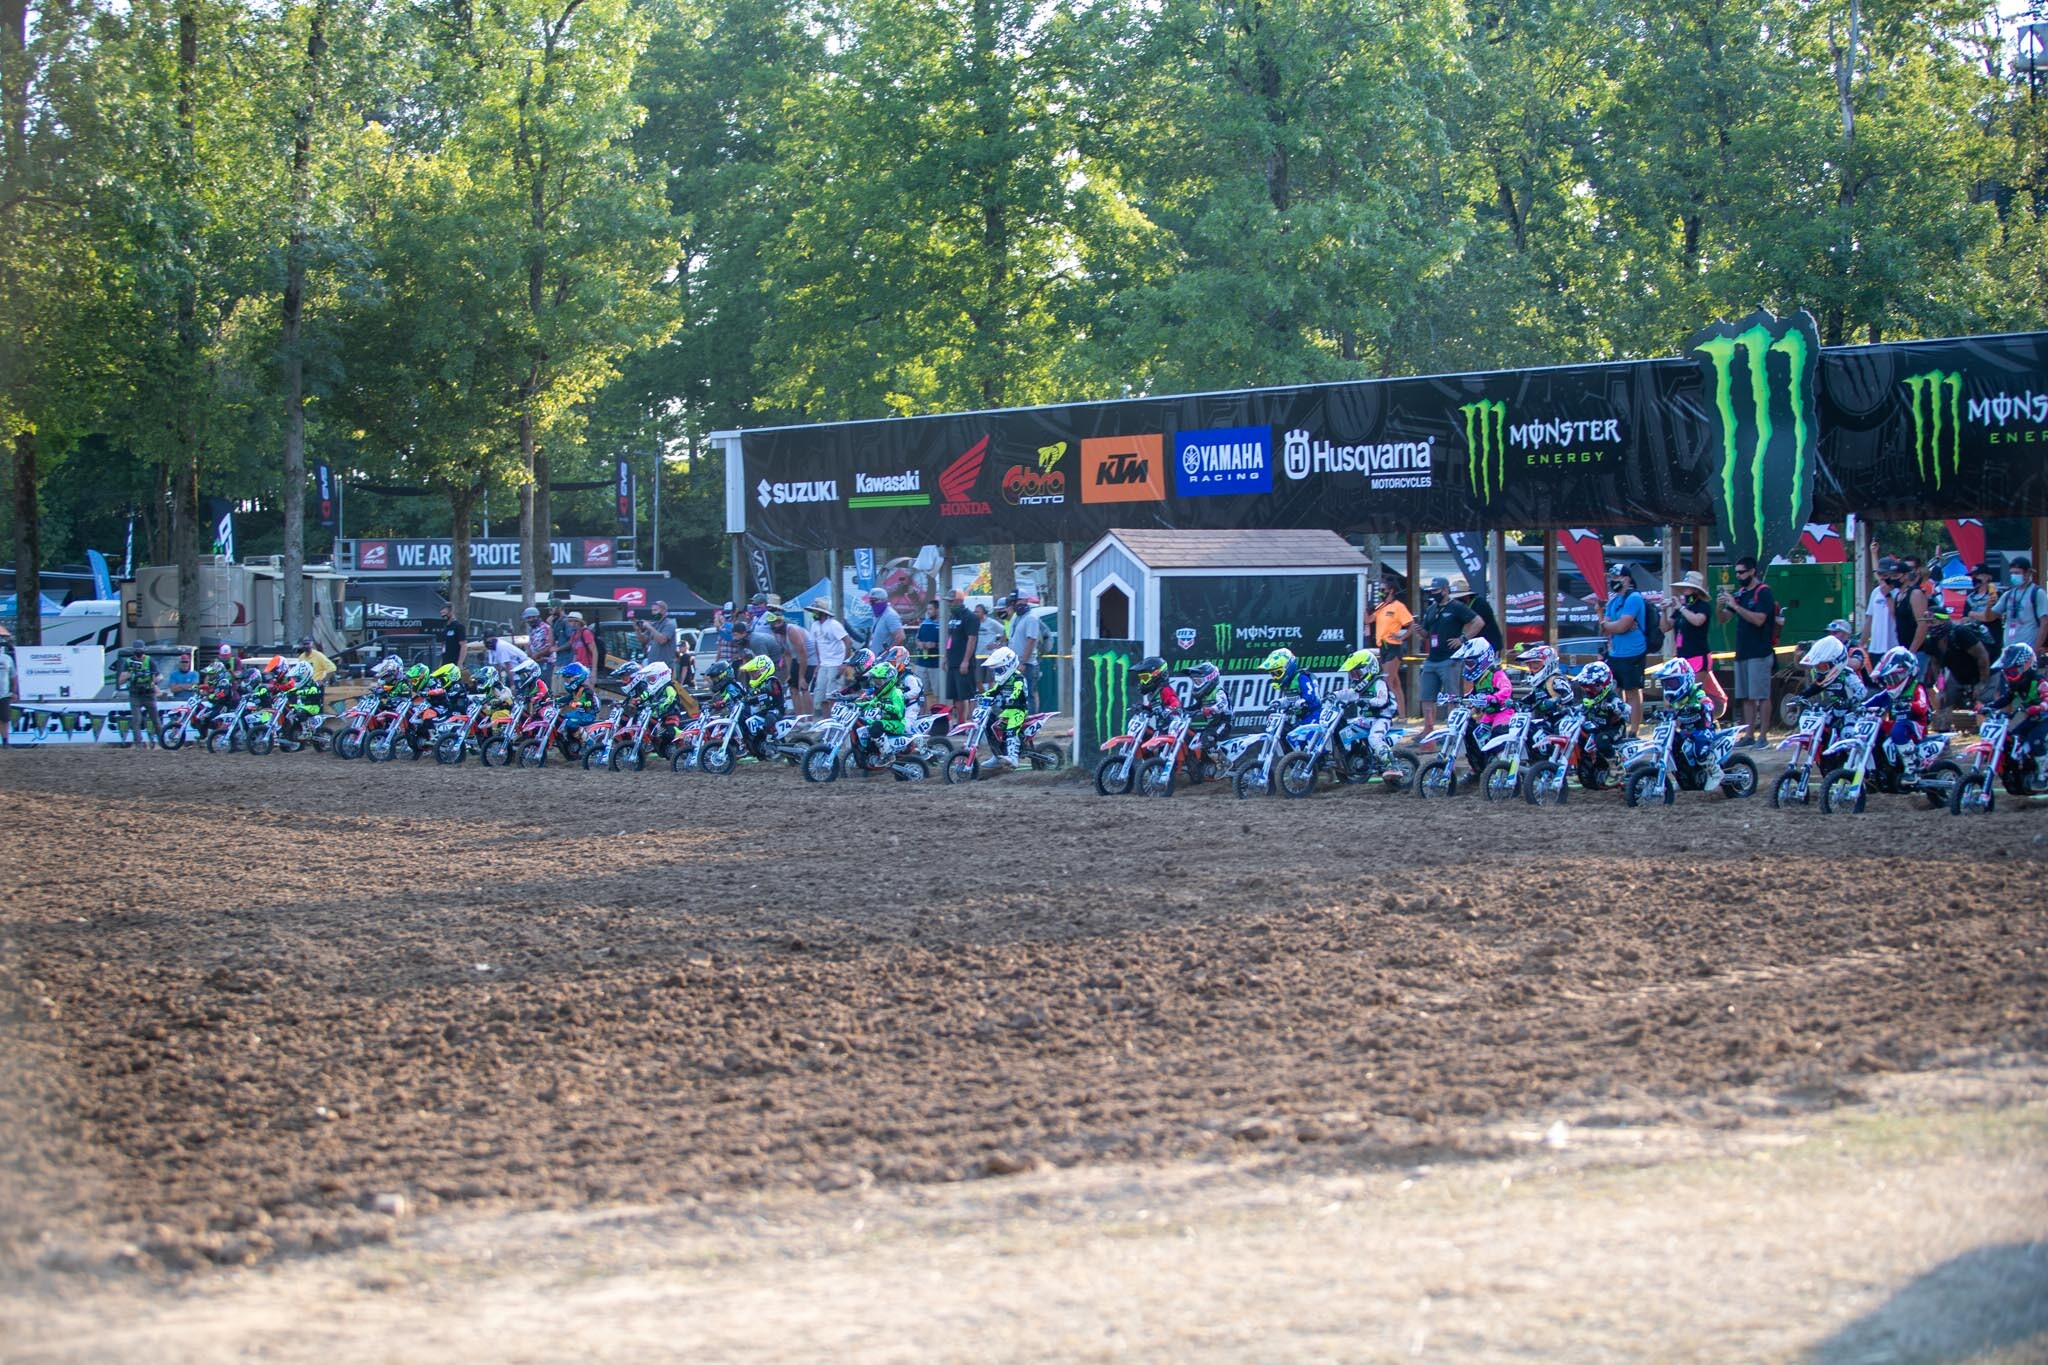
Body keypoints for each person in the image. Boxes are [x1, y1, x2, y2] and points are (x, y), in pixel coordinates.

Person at [1716, 555, 1777, 745]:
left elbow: (1759, 619)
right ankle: (1749, 734)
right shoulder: (1741, 593)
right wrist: (1720, 607)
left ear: (1752, 571)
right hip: (1742, 651)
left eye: (1742, 572)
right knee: (1746, 697)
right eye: (1737, 572)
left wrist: (1735, 606)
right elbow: (1724, 618)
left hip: (1760, 651)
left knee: (1761, 695)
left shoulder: (1763, 592)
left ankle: (1763, 736)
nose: (1739, 576)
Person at [1647, 656, 1724, 790]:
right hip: (1686, 732)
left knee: (1699, 749)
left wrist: (1700, 705)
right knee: (1674, 747)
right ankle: (1683, 778)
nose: (1670, 687)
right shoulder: (1676, 700)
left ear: (1686, 679)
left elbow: (1707, 702)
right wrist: (1664, 714)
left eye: (1673, 683)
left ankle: (1715, 772)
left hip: (1702, 730)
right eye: (1667, 684)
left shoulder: (1696, 692)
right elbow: (1673, 713)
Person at [1417, 577, 1477, 730]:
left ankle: (1453, 730)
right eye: (1431, 591)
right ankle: (1428, 731)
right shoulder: (1431, 609)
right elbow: (1426, 633)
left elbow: (1478, 622)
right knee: (1426, 697)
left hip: (1450, 659)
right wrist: (1417, 629)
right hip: (1432, 659)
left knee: (1452, 697)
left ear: (1445, 590)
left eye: (1436, 591)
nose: (1433, 594)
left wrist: (1463, 639)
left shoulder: (1456, 607)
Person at [1664, 571, 1726, 720]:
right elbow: (1665, 627)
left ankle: (1704, 719)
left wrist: (1681, 608)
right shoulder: (1682, 609)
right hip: (1683, 658)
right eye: (1683, 588)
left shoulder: (1702, 606)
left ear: (1696, 590)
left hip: (1698, 656)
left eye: (1687, 588)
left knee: (1691, 693)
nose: (1684, 592)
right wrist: (1663, 610)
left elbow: (1698, 621)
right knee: (1677, 694)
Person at [1867, 644, 1931, 783]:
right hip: (1897, 723)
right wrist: (1860, 707)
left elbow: (1923, 706)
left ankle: (1911, 768)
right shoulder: (1891, 691)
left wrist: (1908, 704)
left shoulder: (1916, 687)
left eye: (1894, 678)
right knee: (1874, 727)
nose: (1891, 682)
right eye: (1889, 679)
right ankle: (1879, 767)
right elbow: (1877, 700)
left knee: (1898, 730)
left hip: (1915, 725)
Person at [1601, 564, 1650, 736]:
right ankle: (1618, 727)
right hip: (1615, 652)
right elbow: (1605, 626)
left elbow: (1622, 625)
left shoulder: (1634, 597)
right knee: (1615, 691)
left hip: (1633, 652)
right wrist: (1612, 625)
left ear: (1627, 579)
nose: (1614, 581)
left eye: (1617, 577)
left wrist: (1613, 625)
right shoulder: (1613, 600)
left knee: (1632, 692)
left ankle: (1634, 731)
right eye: (1612, 578)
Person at [1333, 648, 1398, 773]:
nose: (1354, 677)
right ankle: (1357, 755)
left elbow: (1382, 699)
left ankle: (1393, 765)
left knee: (1374, 738)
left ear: (1368, 669)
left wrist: (1368, 702)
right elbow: (1348, 693)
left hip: (1381, 718)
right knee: (1346, 729)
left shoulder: (1378, 682)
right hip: (1366, 719)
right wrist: (1334, 695)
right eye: (1352, 674)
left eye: (1356, 673)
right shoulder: (1360, 688)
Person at [1452, 637, 1511, 773]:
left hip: (1503, 712)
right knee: (1475, 735)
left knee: (1497, 735)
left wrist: (1493, 697)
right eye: (1466, 663)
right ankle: (1478, 770)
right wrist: (1458, 699)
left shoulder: (1496, 674)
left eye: (1470, 663)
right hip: (1489, 715)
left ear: (1483, 659)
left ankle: (1503, 770)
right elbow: (1474, 694)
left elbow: (1507, 689)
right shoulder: (1479, 679)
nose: (1467, 666)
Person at [1989, 643, 2046, 778]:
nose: (2009, 677)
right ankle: (2023, 767)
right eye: (2007, 673)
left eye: (2013, 672)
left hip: (2045, 717)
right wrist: (1989, 706)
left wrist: (2040, 707)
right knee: (2014, 737)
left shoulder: (2039, 682)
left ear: (2026, 666)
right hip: (2033, 719)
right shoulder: (2018, 686)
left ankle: (2044, 774)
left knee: (2035, 739)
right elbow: (2005, 699)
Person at [980, 645, 1030, 769]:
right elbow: (994, 690)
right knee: (993, 729)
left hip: (1018, 711)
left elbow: (1018, 688)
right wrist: (982, 695)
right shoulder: (1004, 680)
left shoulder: (1018, 678)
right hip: (1007, 711)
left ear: (1009, 666)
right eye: (996, 670)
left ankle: (1013, 758)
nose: (997, 673)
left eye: (999, 670)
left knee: (1011, 730)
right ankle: (998, 756)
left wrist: (1013, 696)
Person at [1369, 578, 1413, 716]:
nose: (1381, 592)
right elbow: (1369, 620)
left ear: (1391, 590)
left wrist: (1401, 637)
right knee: (1395, 684)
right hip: (1383, 647)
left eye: (1383, 590)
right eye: (1380, 590)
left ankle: (1389, 711)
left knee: (1386, 681)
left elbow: (1411, 625)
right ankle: (1402, 715)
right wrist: (1366, 606)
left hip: (1393, 647)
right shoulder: (1381, 606)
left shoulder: (1398, 606)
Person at [736, 653, 786, 759]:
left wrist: (758, 691)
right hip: (763, 710)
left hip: (776, 709)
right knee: (747, 718)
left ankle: (770, 739)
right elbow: (756, 700)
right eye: (751, 674)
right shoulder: (759, 684)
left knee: (770, 716)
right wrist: (745, 699)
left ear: (763, 670)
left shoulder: (772, 680)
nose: (752, 676)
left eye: (754, 673)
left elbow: (771, 689)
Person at [1993, 556, 2047, 655]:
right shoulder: (2008, 594)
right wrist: (1988, 605)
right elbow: (1992, 615)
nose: (2013, 576)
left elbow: (2045, 623)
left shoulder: (2037, 593)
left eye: (2017, 573)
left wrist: (2036, 649)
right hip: (2008, 649)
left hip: (2028, 649)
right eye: (2012, 573)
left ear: (2027, 573)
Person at [806, 603, 851, 712]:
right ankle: (825, 722)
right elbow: (817, 644)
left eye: (816, 611)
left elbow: (848, 641)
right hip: (824, 664)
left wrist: (845, 662)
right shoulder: (815, 626)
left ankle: (834, 720)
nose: (814, 614)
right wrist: (819, 662)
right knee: (820, 694)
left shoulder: (833, 625)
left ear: (823, 613)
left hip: (836, 663)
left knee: (832, 695)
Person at [115, 644, 161, 749]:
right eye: (137, 650)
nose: (139, 653)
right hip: (135, 694)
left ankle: (162, 740)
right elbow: (120, 680)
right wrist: (131, 674)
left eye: (140, 650)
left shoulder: (149, 660)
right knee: (136, 720)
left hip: (149, 693)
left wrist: (153, 680)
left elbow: (159, 675)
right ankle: (139, 743)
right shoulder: (128, 662)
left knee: (155, 720)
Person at [1005, 595, 1043, 710]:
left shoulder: (1031, 618)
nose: (1014, 605)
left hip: (1027, 664)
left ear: (1025, 601)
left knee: (1029, 694)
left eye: (1016, 601)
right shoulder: (1016, 618)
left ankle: (1030, 722)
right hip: (1014, 662)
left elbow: (1031, 641)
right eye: (1013, 602)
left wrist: (1023, 662)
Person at [945, 589, 978, 721]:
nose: (949, 604)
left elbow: (972, 639)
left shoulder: (970, 617)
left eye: (951, 601)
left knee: (969, 694)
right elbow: (950, 638)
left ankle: (974, 722)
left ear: (959, 601)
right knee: (955, 695)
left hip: (964, 662)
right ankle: (960, 723)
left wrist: (966, 661)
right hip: (952, 661)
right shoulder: (952, 617)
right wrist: (946, 657)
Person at [771, 612, 810, 714]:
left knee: (804, 687)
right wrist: (790, 673)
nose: (775, 625)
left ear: (782, 621)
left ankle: (809, 719)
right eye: (773, 623)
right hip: (796, 657)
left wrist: (801, 677)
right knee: (793, 689)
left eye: (778, 622)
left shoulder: (791, 631)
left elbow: (803, 654)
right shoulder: (777, 635)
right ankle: (799, 719)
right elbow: (787, 654)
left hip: (809, 657)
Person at [1964, 563, 2002, 651]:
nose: (1974, 578)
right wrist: (1979, 615)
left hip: (1993, 640)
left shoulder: (1996, 595)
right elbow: (1964, 619)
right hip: (1974, 640)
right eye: (1972, 576)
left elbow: (1990, 617)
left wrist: (1972, 614)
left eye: (1977, 575)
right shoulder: (1970, 597)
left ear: (1987, 577)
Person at [1456, 584, 1504, 653]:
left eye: (1459, 598)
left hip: (1489, 644)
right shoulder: (1462, 606)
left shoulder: (1480, 604)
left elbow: (1470, 625)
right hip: (1474, 644)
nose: (1457, 600)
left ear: (1467, 596)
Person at [637, 599, 680, 671]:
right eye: (652, 610)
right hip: (652, 665)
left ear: (664, 611)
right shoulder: (654, 624)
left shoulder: (670, 624)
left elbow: (662, 640)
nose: (653, 613)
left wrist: (649, 627)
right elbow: (643, 641)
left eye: (655, 610)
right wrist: (637, 630)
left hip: (664, 666)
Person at [916, 601, 942, 699]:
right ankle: (924, 713)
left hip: (936, 665)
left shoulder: (943, 624)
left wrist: (935, 645)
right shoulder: (924, 624)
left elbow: (948, 643)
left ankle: (939, 712)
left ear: (937, 610)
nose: (928, 611)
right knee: (921, 693)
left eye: (930, 609)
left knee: (938, 693)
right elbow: (917, 639)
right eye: (927, 609)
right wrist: (921, 644)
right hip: (922, 664)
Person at [865, 587, 903, 654]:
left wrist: (888, 654)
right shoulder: (878, 615)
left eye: (874, 601)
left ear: (883, 600)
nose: (871, 604)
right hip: (875, 659)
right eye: (870, 601)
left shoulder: (890, 615)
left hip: (884, 661)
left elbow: (900, 637)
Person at [974, 604, 1003, 677]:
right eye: (975, 612)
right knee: (978, 681)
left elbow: (1005, 631)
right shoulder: (974, 623)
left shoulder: (992, 622)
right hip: (977, 656)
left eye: (978, 612)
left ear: (983, 612)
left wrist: (997, 644)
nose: (976, 613)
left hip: (989, 656)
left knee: (991, 680)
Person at [436, 602, 467, 667]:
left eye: (444, 613)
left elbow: (463, 646)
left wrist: (460, 663)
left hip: (455, 663)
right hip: (445, 663)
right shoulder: (445, 629)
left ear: (451, 612)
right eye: (441, 614)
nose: (443, 616)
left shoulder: (458, 627)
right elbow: (443, 647)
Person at [0, 626, 15, 746]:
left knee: (4, 719)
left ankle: (5, 741)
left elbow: (13, 677)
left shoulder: (7, 658)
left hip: (4, 694)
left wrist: (14, 692)